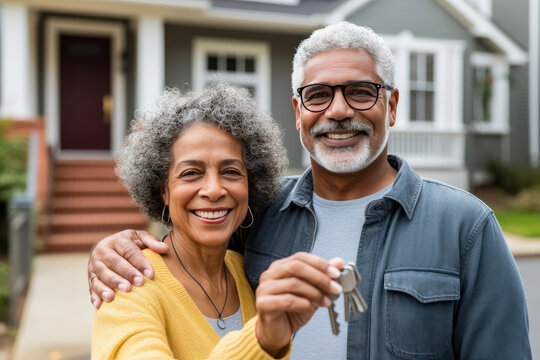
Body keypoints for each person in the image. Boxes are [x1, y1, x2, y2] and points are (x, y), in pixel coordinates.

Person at [88, 22, 532, 359]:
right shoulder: (261, 213)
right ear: (298, 112)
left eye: (361, 92)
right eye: (318, 95)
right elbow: (187, 250)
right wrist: (113, 247)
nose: (338, 110)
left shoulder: (465, 228)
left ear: (391, 106)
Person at [91, 83, 344, 359]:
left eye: (231, 171)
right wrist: (260, 341)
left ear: (252, 183)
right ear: (163, 189)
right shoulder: (128, 285)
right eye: (191, 173)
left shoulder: (247, 272)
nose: (213, 189)